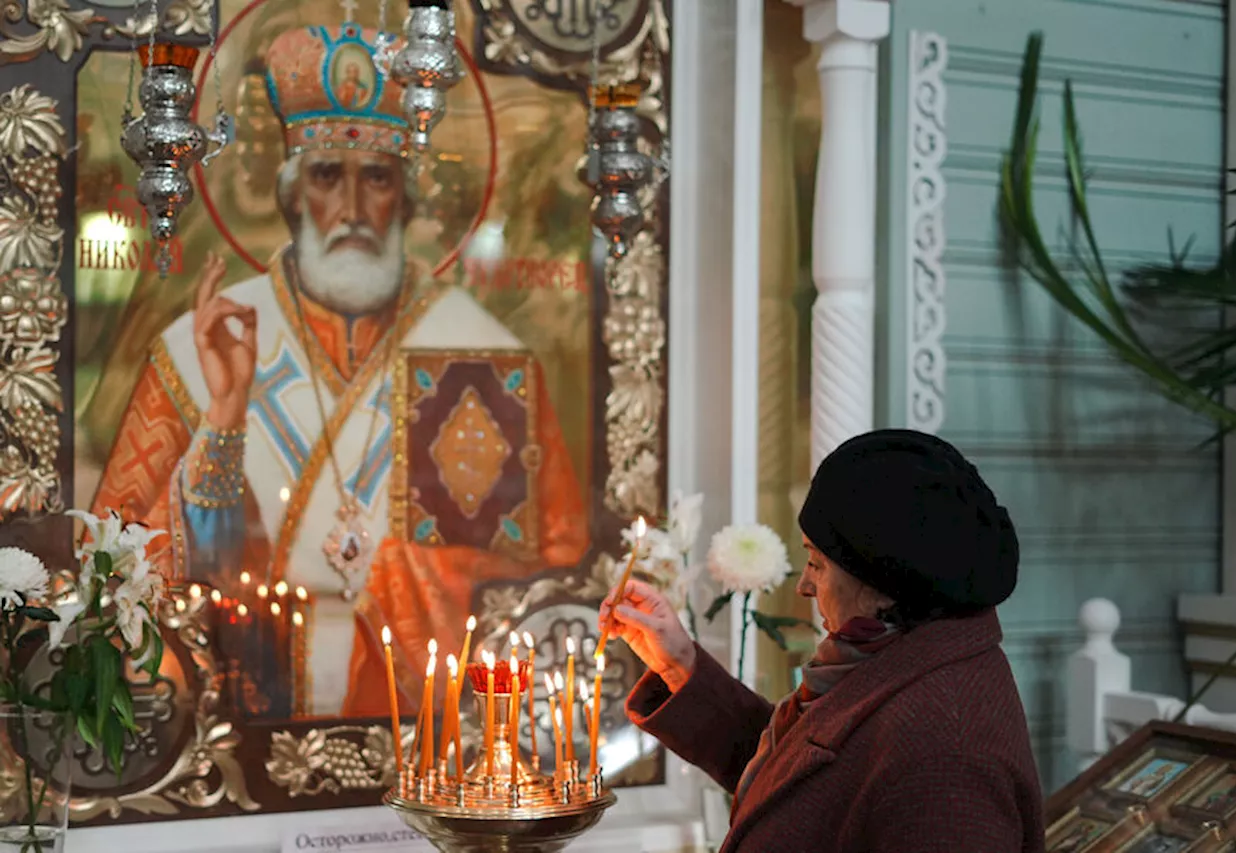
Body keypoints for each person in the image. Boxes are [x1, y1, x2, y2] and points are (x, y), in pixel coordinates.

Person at [91, 20, 588, 718]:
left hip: (426, 712)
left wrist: (411, 571)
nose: (353, 209)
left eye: (377, 178)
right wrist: (225, 425)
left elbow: (554, 561)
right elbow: (114, 562)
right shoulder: (197, 348)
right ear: (293, 197)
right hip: (243, 711)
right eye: (328, 176)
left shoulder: (483, 350)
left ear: (405, 199)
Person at [600, 430, 1045, 852]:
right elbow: (801, 787)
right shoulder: (896, 655)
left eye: (817, 563)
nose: (805, 587)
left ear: (881, 584)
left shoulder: (947, 753)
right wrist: (679, 663)